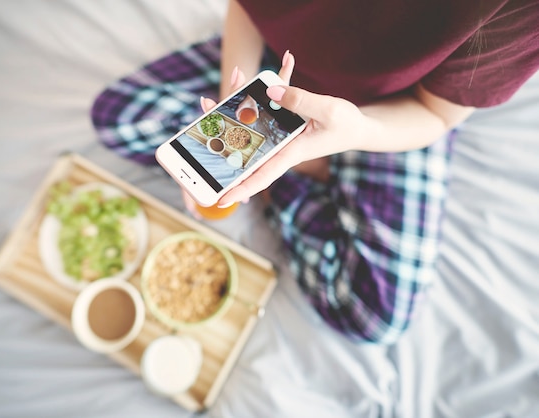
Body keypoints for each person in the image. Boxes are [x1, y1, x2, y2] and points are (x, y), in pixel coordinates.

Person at [191, 0, 539, 343]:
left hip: (389, 112)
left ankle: (291, 172)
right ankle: (282, 171)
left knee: (374, 312)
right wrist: (231, 106)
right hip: (274, 73)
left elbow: (436, 114)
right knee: (141, 122)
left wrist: (355, 134)